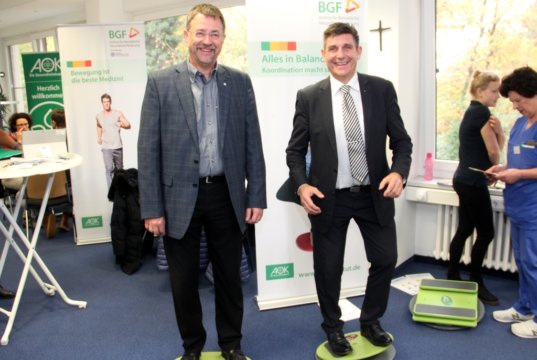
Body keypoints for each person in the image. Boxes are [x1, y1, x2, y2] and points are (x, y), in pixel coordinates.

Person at [137, 4, 266, 360]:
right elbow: (148, 149)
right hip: (178, 199)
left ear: (223, 39)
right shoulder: (160, 83)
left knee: (229, 276)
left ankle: (231, 344)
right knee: (183, 280)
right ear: (186, 36)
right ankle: (192, 347)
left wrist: (255, 193)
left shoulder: (239, 82)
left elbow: (252, 143)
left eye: (214, 34)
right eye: (200, 33)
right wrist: (151, 208)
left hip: (226, 194)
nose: (207, 41)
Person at [286, 22, 412, 355]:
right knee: (328, 271)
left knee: (386, 259)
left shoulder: (382, 90)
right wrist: (301, 186)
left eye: (346, 47)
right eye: (333, 49)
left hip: (376, 194)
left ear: (358, 51)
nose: (340, 55)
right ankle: (334, 330)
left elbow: (402, 142)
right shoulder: (309, 97)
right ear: (324, 55)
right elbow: (294, 151)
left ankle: (371, 322)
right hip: (330, 199)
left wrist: (399, 172)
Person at [447, 71, 505, 305]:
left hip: (463, 178)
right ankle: (476, 282)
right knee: (487, 233)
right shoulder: (482, 113)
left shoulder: (471, 110)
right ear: (480, 91)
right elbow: (494, 152)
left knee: (465, 229)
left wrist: (499, 133)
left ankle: (452, 273)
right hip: (472, 181)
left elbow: (488, 150)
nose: (498, 96)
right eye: (494, 91)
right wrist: (500, 133)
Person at [488, 66, 537, 339]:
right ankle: (525, 307)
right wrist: (503, 169)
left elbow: (528, 169)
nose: (516, 106)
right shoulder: (520, 123)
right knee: (522, 260)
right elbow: (519, 160)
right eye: (513, 101)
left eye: (520, 100)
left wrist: (518, 174)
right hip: (517, 205)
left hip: (534, 207)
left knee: (534, 262)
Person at [96, 93, 131, 189]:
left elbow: (128, 125)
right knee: (109, 169)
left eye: (108, 102)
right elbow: (98, 125)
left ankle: (121, 189)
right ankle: (112, 191)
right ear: (102, 103)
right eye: (104, 102)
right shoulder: (98, 116)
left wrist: (122, 125)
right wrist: (99, 137)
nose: (106, 104)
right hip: (106, 147)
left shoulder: (117, 113)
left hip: (117, 146)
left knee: (119, 169)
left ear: (110, 102)